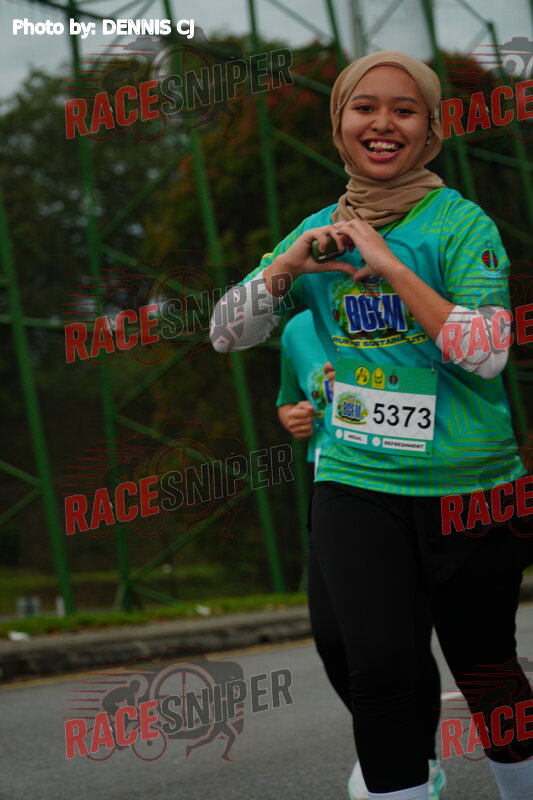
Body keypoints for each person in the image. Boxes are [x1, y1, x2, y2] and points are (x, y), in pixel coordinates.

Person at [210, 50, 533, 800]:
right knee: (376, 667)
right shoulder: (316, 232)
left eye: (403, 110)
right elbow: (227, 333)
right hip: (358, 480)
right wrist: (288, 264)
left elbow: (486, 354)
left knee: (486, 667)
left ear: (429, 130)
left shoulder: (461, 224)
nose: (382, 123)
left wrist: (389, 265)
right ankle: (409, 775)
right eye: (364, 107)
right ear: (339, 124)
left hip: (471, 488)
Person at [276, 309, 446, 799]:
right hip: (337, 484)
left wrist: (369, 383)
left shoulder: (395, 307)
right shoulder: (297, 330)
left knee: (404, 635)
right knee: (333, 636)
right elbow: (288, 400)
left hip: (409, 479)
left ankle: (419, 759)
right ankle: (394, 741)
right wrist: (295, 416)